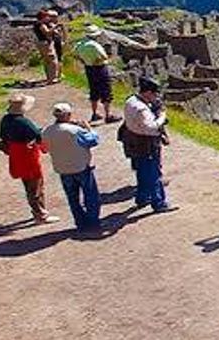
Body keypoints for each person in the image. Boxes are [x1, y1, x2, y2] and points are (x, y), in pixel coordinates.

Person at [0, 93, 57, 224]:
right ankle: (40, 213)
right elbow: (38, 136)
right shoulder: (23, 122)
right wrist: (44, 147)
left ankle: (37, 211)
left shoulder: (5, 120)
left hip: (15, 154)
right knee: (36, 185)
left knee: (27, 184)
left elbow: (2, 137)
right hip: (27, 155)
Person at [41, 103, 101, 231]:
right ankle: (93, 222)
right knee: (90, 196)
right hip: (81, 166)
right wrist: (88, 128)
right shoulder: (75, 131)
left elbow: (44, 149)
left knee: (72, 199)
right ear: (68, 115)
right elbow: (93, 141)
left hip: (62, 169)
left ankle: (80, 222)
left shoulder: (47, 131)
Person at [122, 77, 171, 212]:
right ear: (148, 92)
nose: (155, 97)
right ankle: (159, 202)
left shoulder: (130, 100)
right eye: (154, 93)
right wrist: (162, 117)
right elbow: (151, 127)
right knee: (154, 173)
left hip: (133, 140)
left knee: (142, 171)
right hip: (146, 143)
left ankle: (142, 198)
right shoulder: (142, 109)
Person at [73, 25, 117, 123]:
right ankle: (108, 115)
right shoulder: (95, 45)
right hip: (100, 68)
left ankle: (94, 113)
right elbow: (104, 57)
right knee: (106, 91)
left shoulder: (80, 44)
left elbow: (75, 55)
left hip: (89, 68)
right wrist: (97, 60)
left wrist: (84, 61)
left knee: (94, 91)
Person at [32, 10, 61, 85]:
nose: (48, 18)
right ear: (43, 17)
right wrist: (55, 27)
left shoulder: (36, 24)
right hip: (45, 44)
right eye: (46, 16)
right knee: (52, 60)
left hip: (40, 43)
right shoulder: (41, 24)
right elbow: (47, 32)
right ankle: (53, 78)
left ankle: (49, 77)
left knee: (46, 61)